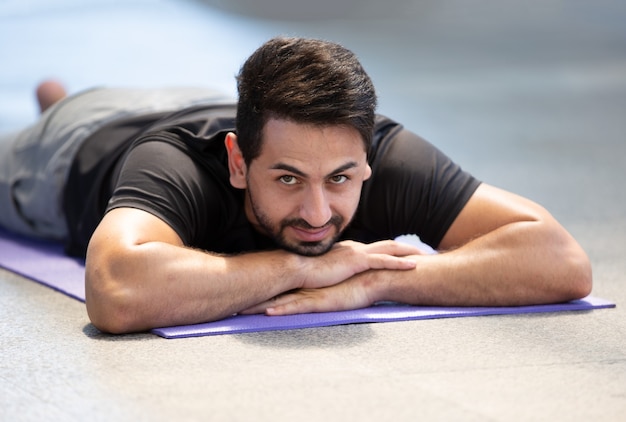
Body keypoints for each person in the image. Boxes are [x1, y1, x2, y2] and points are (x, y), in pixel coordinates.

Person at [0, 37, 592, 334]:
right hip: (76, 146)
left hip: (197, 101)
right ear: (238, 162)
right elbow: (116, 289)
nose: (317, 213)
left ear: (366, 156)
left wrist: (376, 282)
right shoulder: (174, 163)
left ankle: (61, 94)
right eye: (287, 178)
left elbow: (559, 260)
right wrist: (307, 268)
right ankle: (57, 106)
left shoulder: (383, 155)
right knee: (55, 125)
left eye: (340, 178)